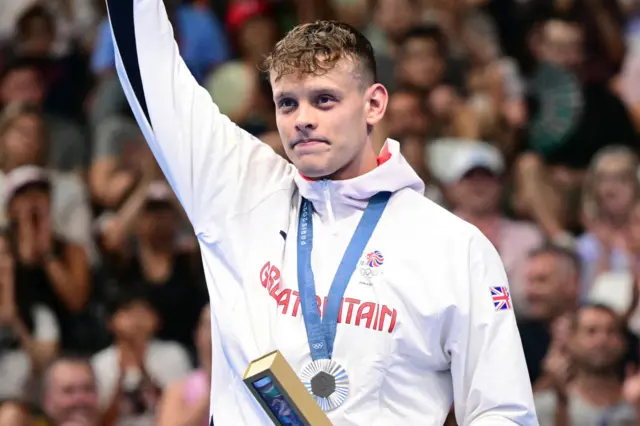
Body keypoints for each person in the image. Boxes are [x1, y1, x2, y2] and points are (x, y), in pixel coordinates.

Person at [106, 1, 537, 424]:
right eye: (287, 103)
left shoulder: (454, 247)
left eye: (324, 99)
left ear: (374, 105)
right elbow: (149, 62)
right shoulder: (237, 191)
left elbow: (504, 413)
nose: (302, 120)